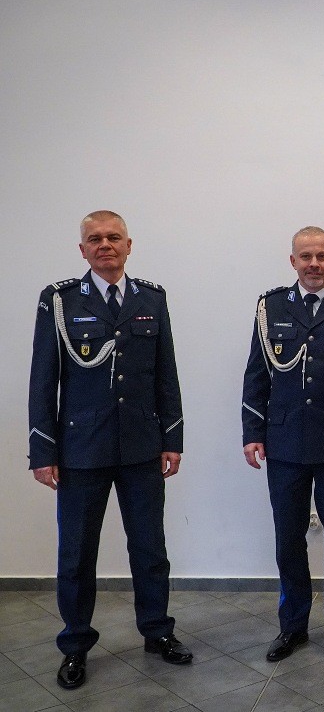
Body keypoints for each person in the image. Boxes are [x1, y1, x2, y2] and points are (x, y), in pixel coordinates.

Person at [28, 211, 192, 690]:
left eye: (113, 237)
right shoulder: (60, 300)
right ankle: (75, 644)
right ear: (82, 249)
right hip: (81, 449)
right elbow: (44, 379)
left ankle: (157, 631)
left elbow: (166, 373)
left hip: (141, 445)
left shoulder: (151, 299)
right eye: (95, 239)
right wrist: (43, 451)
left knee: (150, 548)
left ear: (128, 245)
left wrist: (172, 439)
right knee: (77, 554)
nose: (105, 245)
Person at [241, 226, 324, 662]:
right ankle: (293, 625)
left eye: (321, 256)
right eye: (306, 256)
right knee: (288, 539)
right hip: (284, 442)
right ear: (293, 260)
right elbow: (257, 374)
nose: (314, 264)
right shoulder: (270, 307)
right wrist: (252, 432)